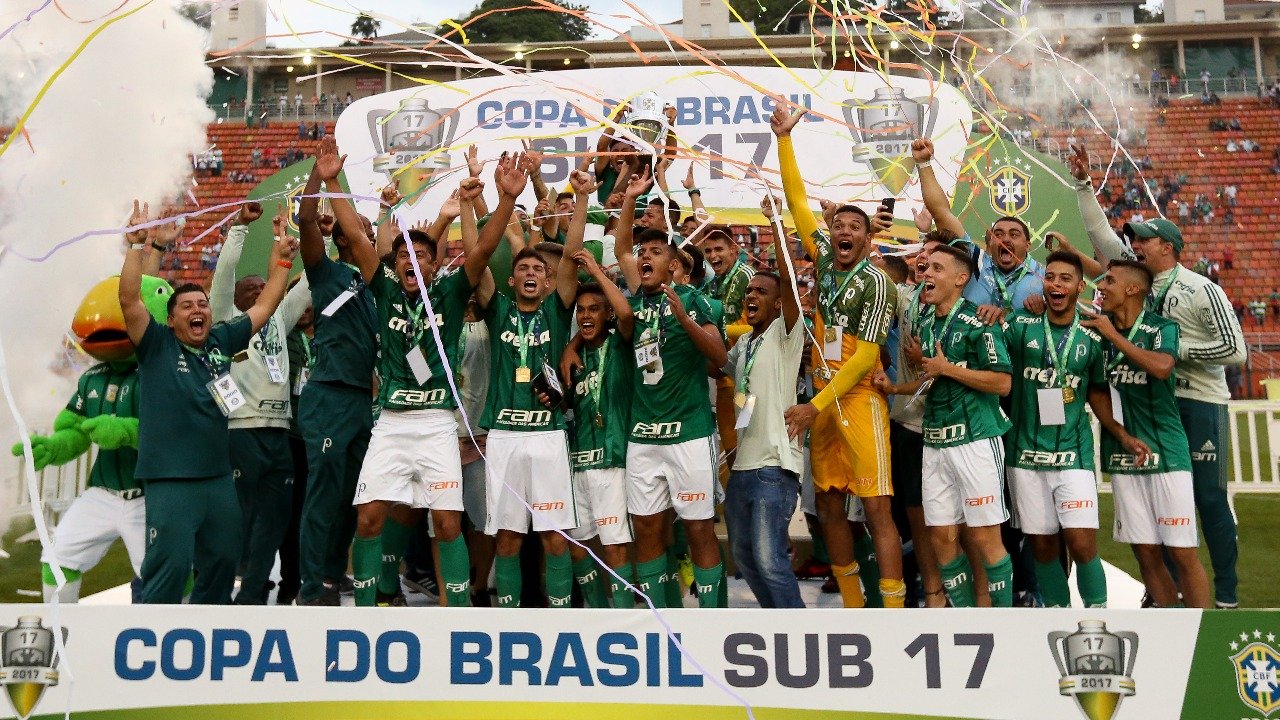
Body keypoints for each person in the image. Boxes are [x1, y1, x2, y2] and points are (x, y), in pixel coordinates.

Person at [1072, 144, 1247, 608]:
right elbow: (1100, 235)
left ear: (1166, 248)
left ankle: (1225, 594)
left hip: (1197, 398)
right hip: (1149, 398)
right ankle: (1164, 593)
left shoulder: (1200, 288)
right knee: (1163, 509)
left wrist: (1167, 350)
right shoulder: (1133, 283)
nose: (1134, 246)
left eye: (1144, 240)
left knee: (1207, 500)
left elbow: (1236, 350)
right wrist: (1084, 185)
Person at [343, 167, 511, 609]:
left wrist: (507, 198)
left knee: (449, 523)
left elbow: (488, 247)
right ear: (395, 264)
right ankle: (364, 613)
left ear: (435, 264)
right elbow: (357, 240)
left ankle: (457, 613)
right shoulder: (384, 291)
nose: (412, 260)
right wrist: (330, 182)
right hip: (392, 423)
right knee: (369, 518)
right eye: (404, 255)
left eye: (422, 254)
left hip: (438, 423)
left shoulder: (452, 293)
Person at [119, 200, 297, 604]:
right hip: (170, 480)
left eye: (202, 304)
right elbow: (130, 301)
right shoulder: (156, 345)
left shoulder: (220, 339)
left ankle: (207, 639)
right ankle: (153, 645)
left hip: (218, 478)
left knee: (221, 563)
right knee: (171, 568)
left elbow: (266, 305)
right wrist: (135, 248)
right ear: (170, 319)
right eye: (187, 306)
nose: (198, 309)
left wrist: (281, 261)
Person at [770, 105, 904, 609]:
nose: (844, 230)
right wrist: (785, 140)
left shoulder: (875, 283)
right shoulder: (825, 258)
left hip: (857, 398)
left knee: (875, 508)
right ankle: (855, 605)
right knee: (826, 504)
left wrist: (813, 405)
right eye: (839, 224)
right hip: (823, 401)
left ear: (869, 240)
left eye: (855, 226)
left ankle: (892, 611)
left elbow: (862, 359)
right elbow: (799, 202)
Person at [14, 274, 173, 602]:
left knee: (165, 573)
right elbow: (75, 432)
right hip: (102, 492)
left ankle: (173, 635)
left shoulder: (164, 371)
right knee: (58, 560)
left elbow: (174, 434)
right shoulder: (92, 378)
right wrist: (54, 448)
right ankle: (62, 635)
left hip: (150, 495)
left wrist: (126, 432)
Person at [612, 167, 729, 608]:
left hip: (688, 433)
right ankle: (663, 615)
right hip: (642, 436)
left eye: (655, 251)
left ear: (674, 264)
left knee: (698, 526)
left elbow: (720, 358)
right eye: (642, 252)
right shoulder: (634, 302)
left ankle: (714, 616)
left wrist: (683, 318)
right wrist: (631, 198)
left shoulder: (697, 300)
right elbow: (621, 246)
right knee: (645, 526)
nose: (643, 257)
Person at [874, 243, 1015, 607]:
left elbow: (1002, 383)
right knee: (940, 537)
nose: (927, 275)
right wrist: (895, 388)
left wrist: (944, 368)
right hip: (934, 440)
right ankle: (965, 619)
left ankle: (1002, 625)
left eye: (937, 269)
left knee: (985, 538)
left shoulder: (979, 321)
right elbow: (932, 380)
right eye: (926, 268)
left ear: (960, 279)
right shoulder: (925, 321)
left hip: (975, 439)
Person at [1003, 251, 1146, 608]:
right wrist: (994, 313)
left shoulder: (1093, 336)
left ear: (1079, 287)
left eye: (1065, 279)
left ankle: (1097, 615)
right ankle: (1057, 614)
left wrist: (1120, 432)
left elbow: (1097, 391)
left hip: (1074, 453)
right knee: (1043, 545)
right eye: (1050, 277)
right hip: (1025, 452)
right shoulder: (1021, 326)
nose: (1056, 284)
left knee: (1082, 543)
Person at [476, 159, 581, 609]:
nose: (532, 273)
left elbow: (574, 251)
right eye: (523, 269)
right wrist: (503, 199)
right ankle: (509, 622)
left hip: (547, 435)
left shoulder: (558, 311)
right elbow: (479, 254)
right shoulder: (496, 308)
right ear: (512, 278)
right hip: (503, 434)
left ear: (549, 278)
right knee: (508, 538)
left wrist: (583, 199)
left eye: (539, 269)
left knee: (555, 537)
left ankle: (557, 620)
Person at [1084, 260, 1210, 608]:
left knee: (1182, 553)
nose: (1102, 286)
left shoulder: (1160, 328)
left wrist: (1113, 337)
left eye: (1109, 280)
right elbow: (1096, 392)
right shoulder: (1097, 334)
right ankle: (1169, 628)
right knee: (1146, 553)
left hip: (1166, 454)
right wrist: (1119, 434)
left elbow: (1161, 366)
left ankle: (1203, 634)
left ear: (1133, 288)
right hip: (1124, 456)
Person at [208, 202, 312, 605]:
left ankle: (253, 593)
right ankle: (220, 588)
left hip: (280, 434)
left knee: (274, 521)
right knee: (237, 520)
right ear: (234, 300)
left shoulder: (278, 321)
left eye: (261, 288)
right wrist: (238, 230)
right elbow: (223, 275)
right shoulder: (224, 320)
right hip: (240, 431)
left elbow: (303, 287)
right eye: (248, 290)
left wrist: (303, 241)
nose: (257, 292)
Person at [295, 137, 381, 606]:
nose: (366, 232)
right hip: (328, 396)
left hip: (361, 403)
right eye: (360, 228)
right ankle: (311, 587)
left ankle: (331, 573)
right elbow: (306, 218)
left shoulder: (375, 284)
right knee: (323, 497)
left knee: (352, 497)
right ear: (341, 238)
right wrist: (321, 176)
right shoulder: (325, 273)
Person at [720, 200, 805, 608]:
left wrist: (775, 224)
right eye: (749, 289)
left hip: (774, 464)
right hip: (741, 467)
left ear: (777, 303)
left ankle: (798, 633)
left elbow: (789, 283)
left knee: (771, 561)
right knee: (744, 559)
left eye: (761, 291)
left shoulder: (787, 333)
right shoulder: (743, 343)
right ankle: (778, 626)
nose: (751, 294)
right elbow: (719, 367)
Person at [560, 249, 637, 608]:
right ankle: (597, 613)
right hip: (577, 462)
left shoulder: (621, 346)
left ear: (605, 314)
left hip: (612, 461)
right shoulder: (573, 357)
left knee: (614, 544)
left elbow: (626, 313)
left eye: (594, 309)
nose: (586, 315)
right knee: (578, 546)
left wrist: (593, 269)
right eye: (581, 310)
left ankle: (621, 616)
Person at [916, 140, 1043, 323]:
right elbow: (940, 212)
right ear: (990, 242)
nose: (1004, 239)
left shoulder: (1044, 275)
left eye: (1014, 235)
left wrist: (1045, 307)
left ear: (1028, 245)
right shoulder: (976, 262)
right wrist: (923, 163)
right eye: (998, 234)